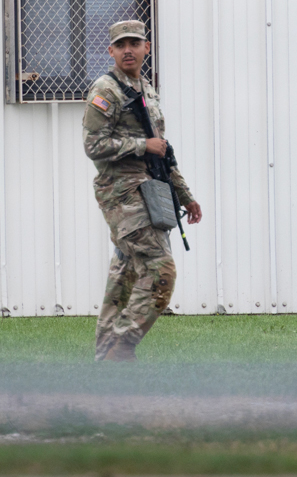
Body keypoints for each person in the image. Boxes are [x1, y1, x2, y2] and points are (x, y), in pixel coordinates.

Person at [82, 20, 203, 362]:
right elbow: (93, 145)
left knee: (126, 273)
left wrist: (185, 196)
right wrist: (140, 145)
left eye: (134, 43)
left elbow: (161, 150)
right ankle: (122, 346)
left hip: (147, 189)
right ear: (111, 51)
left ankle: (107, 359)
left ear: (146, 48)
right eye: (121, 45)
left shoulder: (146, 90)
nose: (128, 50)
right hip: (121, 193)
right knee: (160, 269)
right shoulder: (106, 90)